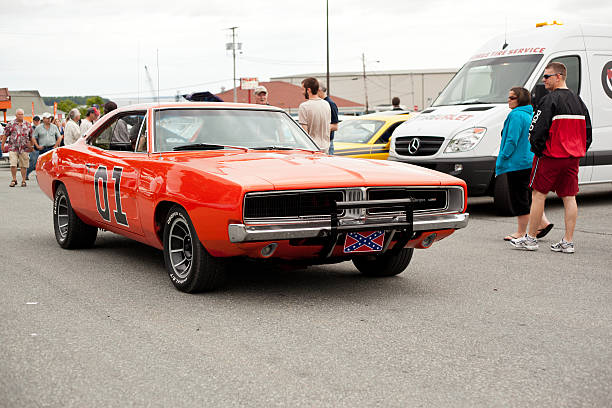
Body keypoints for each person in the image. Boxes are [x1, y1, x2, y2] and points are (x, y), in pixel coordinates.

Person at [511, 62, 592, 253]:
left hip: (550, 156)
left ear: (559, 76)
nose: (544, 80)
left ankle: (530, 239)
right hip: (572, 157)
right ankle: (568, 242)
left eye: (547, 76)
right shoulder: (579, 101)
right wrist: (579, 149)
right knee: (569, 197)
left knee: (538, 195)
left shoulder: (549, 100)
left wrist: (538, 150)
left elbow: (536, 129)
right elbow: (588, 132)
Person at [496, 87, 553, 241]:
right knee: (529, 196)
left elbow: (511, 140)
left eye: (512, 97)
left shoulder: (515, 115)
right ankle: (543, 223)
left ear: (520, 99)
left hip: (516, 163)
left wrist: (502, 157)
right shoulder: (531, 114)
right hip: (529, 161)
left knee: (519, 197)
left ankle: (520, 232)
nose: (508, 100)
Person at [1, 108, 34, 187]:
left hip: (24, 148)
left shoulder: (27, 124)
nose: (20, 116)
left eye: (22, 114)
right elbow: (5, 135)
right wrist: (2, 145)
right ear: (16, 115)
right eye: (19, 114)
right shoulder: (11, 124)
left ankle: (23, 180)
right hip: (13, 147)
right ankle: (14, 179)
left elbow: (31, 137)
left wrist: (32, 146)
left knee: (24, 165)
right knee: (13, 164)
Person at [298, 77, 331, 153]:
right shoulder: (326, 104)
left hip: (312, 148)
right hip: (326, 147)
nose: (302, 92)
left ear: (308, 90)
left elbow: (304, 133)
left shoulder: (304, 106)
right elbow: (328, 126)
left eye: (303, 89)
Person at [28, 112, 62, 178]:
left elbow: (59, 137)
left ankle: (50, 176)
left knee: (51, 163)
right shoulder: (38, 128)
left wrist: (55, 146)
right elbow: (33, 137)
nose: (49, 119)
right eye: (47, 118)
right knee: (42, 164)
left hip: (51, 148)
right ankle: (42, 176)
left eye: (50, 118)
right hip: (42, 149)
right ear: (43, 119)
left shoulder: (54, 127)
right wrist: (37, 146)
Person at [317, 85, 339, 154]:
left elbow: (335, 126)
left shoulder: (330, 104)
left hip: (327, 143)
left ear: (319, 90)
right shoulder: (320, 103)